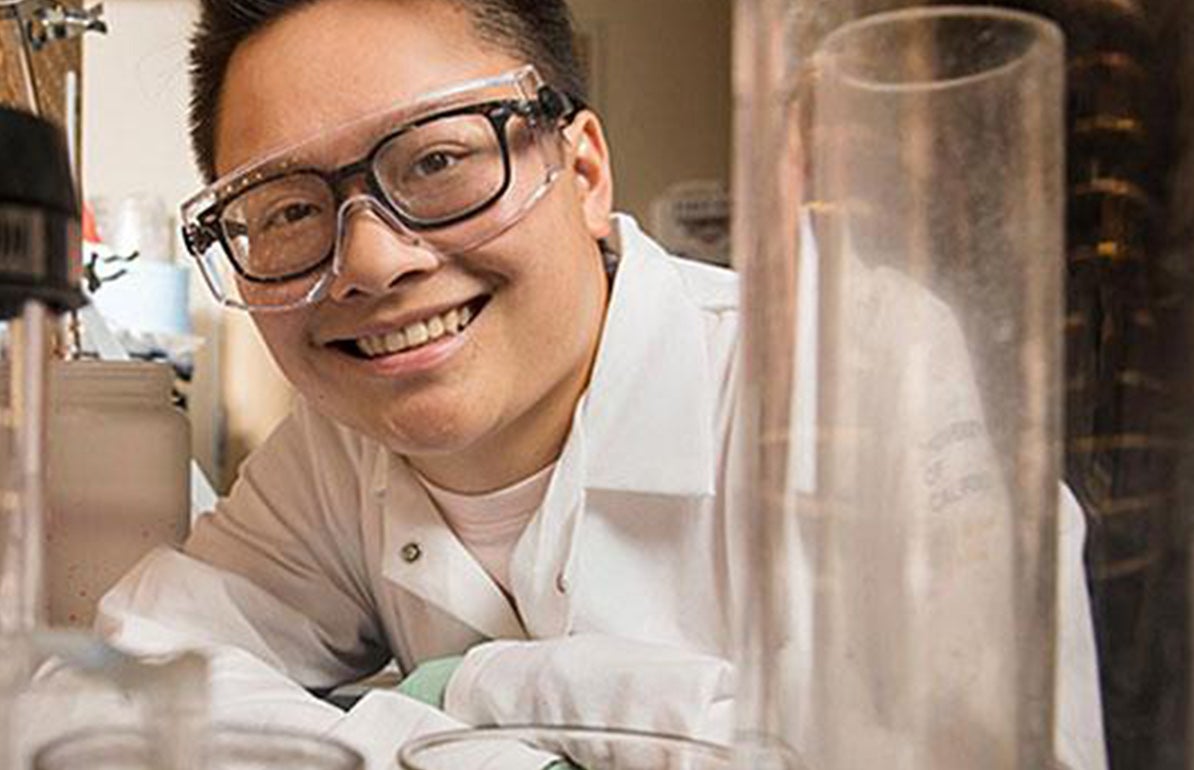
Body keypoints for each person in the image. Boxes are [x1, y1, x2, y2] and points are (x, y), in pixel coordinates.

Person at [91, 0, 1107, 767]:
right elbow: (112, 688)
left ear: (580, 171)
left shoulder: (853, 361)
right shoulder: (335, 446)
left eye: (438, 160)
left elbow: (994, 744)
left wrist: (479, 684)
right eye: (283, 213)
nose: (367, 259)